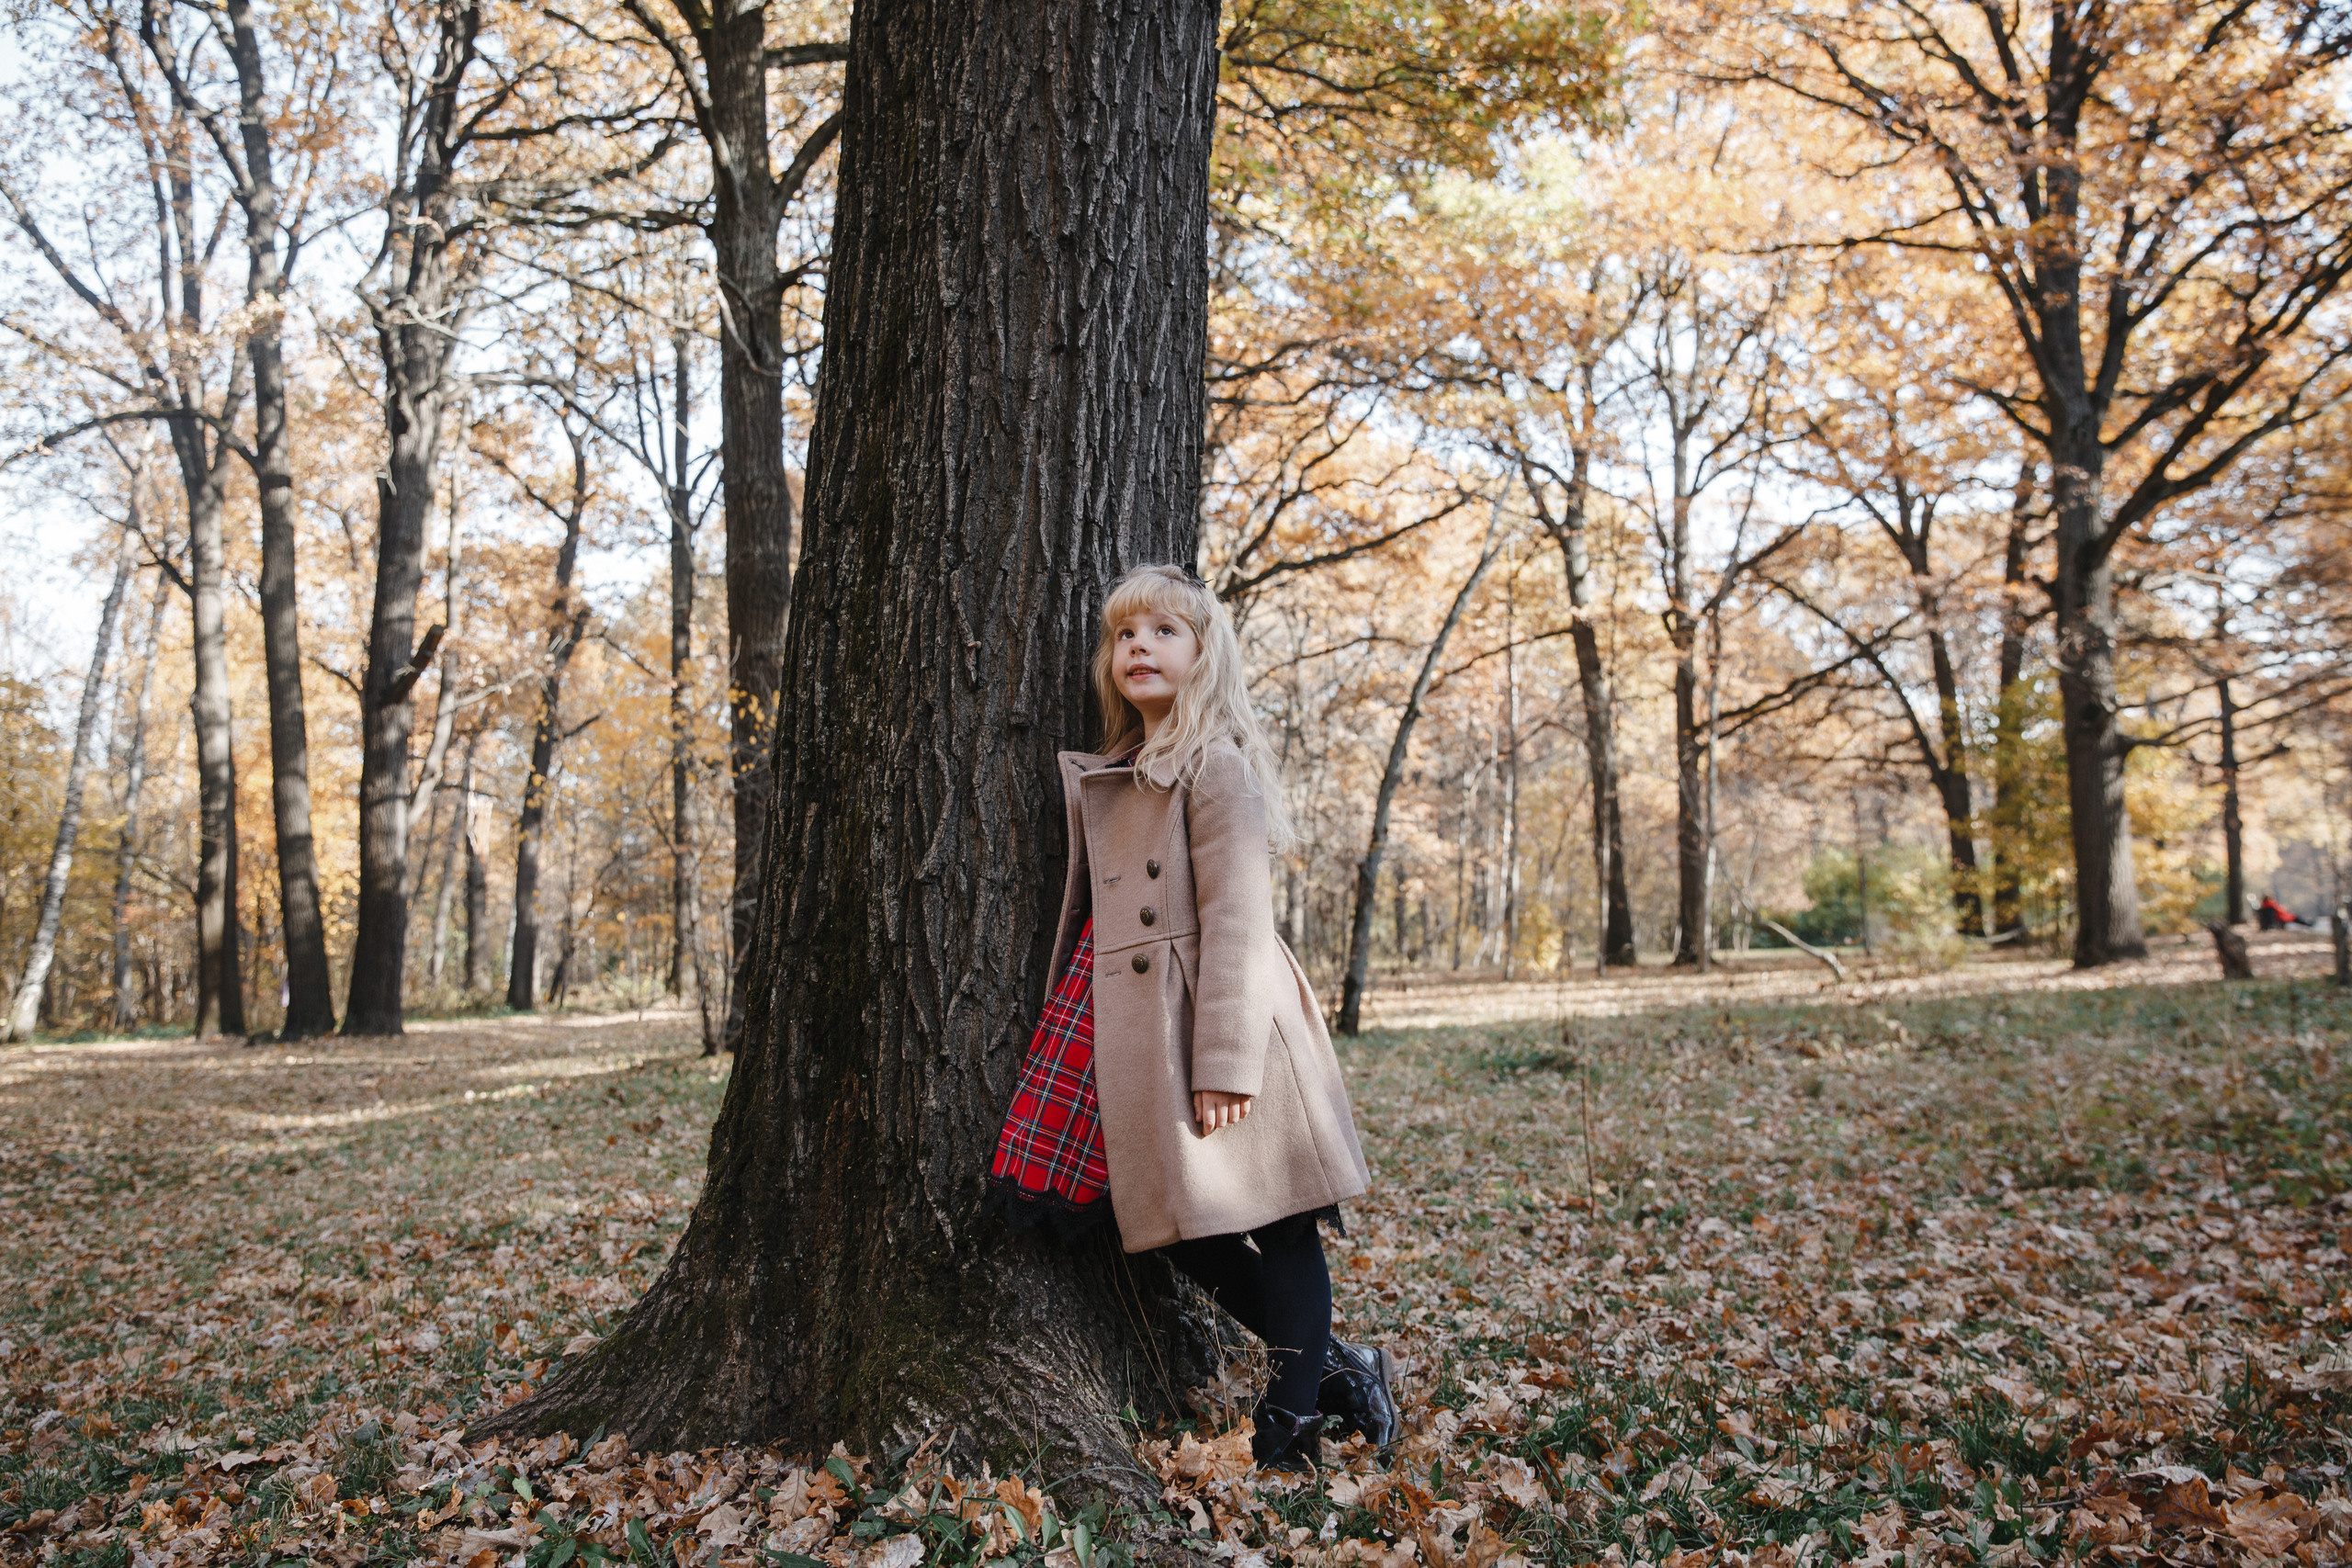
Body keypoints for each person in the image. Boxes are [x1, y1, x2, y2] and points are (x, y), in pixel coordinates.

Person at [985, 563, 1397, 1473]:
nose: (1139, 647)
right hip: (1136, 1018)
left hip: (1224, 1017)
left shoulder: (1215, 764)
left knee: (1280, 1221)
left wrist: (1224, 1063)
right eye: (1124, 634)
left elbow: (1240, 921)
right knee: (1184, 1225)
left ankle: (1288, 1435)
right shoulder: (1127, 765)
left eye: (1164, 632)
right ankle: (1342, 1368)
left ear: (1204, 656)